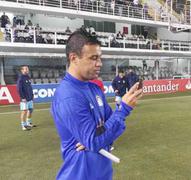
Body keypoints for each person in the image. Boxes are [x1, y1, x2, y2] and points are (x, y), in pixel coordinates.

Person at [51, 28, 143, 180]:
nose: (99, 63)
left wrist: (95, 138)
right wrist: (124, 109)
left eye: (100, 58)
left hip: (102, 173)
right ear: (74, 58)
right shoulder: (68, 95)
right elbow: (96, 139)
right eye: (93, 58)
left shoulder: (94, 88)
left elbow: (109, 132)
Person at [17, 65, 35, 131]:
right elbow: (19, 89)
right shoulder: (20, 78)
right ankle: (23, 125)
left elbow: (30, 87)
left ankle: (28, 123)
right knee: (24, 111)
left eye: (27, 69)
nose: (27, 70)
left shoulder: (28, 77)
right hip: (24, 99)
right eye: (26, 69)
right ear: (22, 70)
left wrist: (32, 95)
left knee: (30, 110)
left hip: (30, 98)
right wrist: (22, 97)